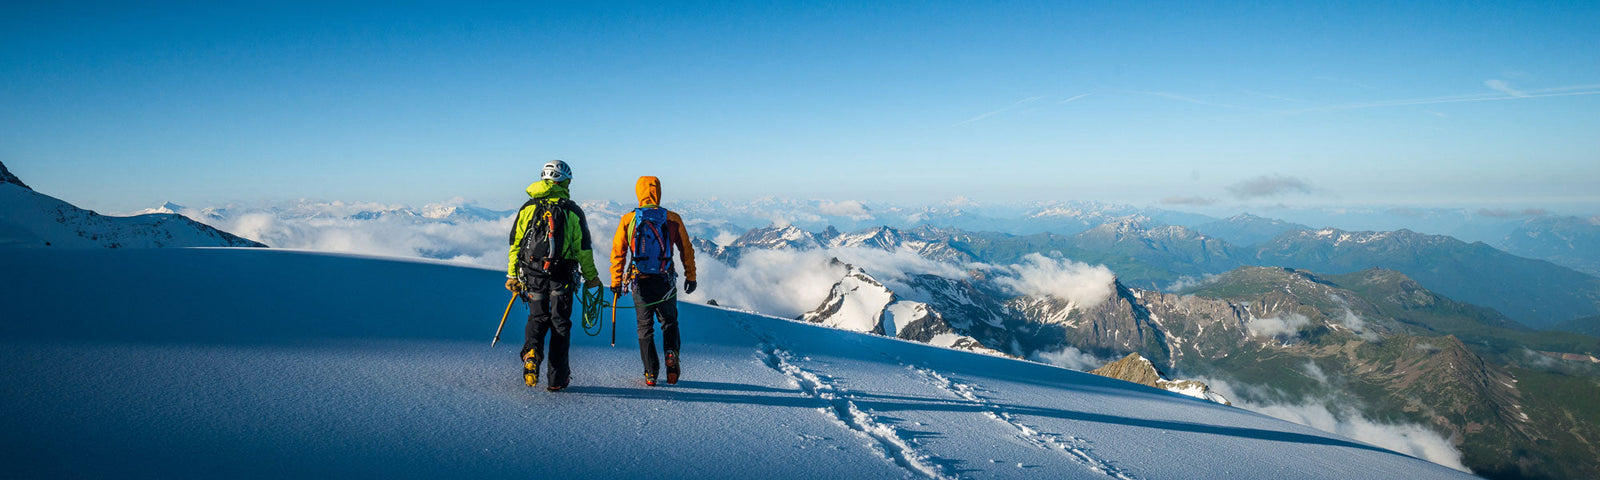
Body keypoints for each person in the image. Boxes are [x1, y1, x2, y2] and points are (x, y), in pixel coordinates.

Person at [506, 160, 603, 392]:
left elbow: (516, 243)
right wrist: (591, 277)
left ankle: (531, 353)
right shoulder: (572, 210)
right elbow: (583, 249)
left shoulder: (528, 207)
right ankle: (557, 379)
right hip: (562, 276)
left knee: (537, 318)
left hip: (533, 275)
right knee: (560, 324)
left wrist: (512, 275)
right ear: (566, 181)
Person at [610, 176, 696, 386]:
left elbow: (618, 253)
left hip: (640, 282)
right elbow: (687, 249)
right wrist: (690, 276)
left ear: (638, 192)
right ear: (658, 192)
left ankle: (650, 372)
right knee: (669, 322)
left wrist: (616, 282)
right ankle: (671, 357)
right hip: (665, 280)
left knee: (644, 327)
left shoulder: (628, 219)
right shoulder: (673, 218)